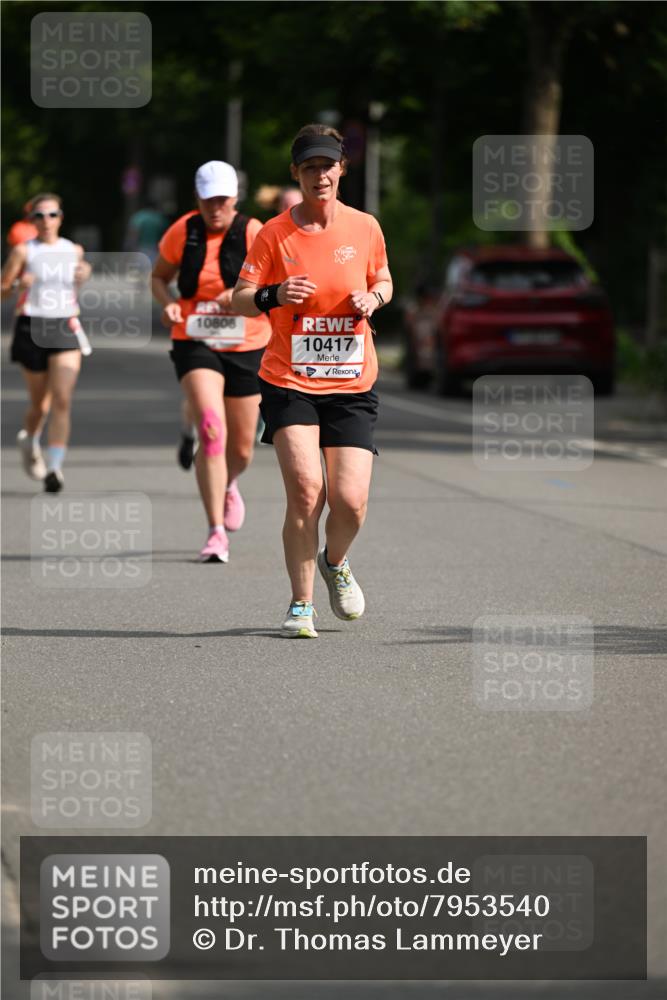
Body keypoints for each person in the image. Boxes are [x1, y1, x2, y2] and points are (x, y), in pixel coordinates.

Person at [232, 124, 393, 637]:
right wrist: (274, 295)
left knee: (350, 501)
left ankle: (335, 562)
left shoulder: (365, 227)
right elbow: (240, 296)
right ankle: (301, 604)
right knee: (306, 491)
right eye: (309, 167)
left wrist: (375, 299)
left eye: (328, 165)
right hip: (289, 380)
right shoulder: (274, 233)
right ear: (296, 174)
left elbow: (384, 278)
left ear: (342, 169)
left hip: (351, 383)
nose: (320, 175)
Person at [151, 161, 271, 563]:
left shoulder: (255, 232)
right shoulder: (182, 231)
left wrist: (240, 297)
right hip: (194, 338)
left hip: (247, 343)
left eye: (222, 199)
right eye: (208, 200)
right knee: (210, 426)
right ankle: (215, 532)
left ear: (235, 197)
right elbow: (158, 277)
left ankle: (229, 482)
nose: (215, 207)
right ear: (197, 198)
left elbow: (274, 287)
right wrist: (168, 305)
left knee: (241, 448)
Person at [1, 193, 91, 491]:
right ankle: (30, 440)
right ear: (32, 221)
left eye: (52, 215)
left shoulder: (73, 250)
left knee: (62, 399)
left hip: (64, 325)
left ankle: (54, 468)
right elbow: (2, 289)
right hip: (31, 327)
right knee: (40, 405)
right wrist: (16, 285)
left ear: (61, 218)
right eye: (39, 216)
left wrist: (85, 273)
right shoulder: (23, 252)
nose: (46, 221)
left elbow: (80, 278)